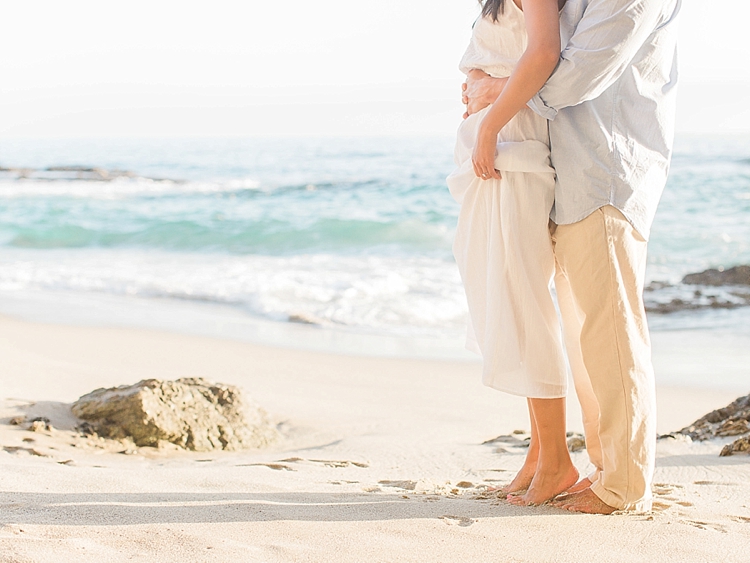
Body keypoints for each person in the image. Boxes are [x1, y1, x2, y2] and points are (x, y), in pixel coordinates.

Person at [462, 0, 681, 513]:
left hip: (605, 170)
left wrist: (500, 95)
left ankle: (625, 488)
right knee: (586, 337)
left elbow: (584, 70)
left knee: (612, 332)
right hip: (568, 169)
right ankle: (605, 467)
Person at [447, 0, 579, 506]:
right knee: (506, 296)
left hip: (514, 151)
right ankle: (539, 454)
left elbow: (545, 53)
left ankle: (558, 462)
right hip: (503, 149)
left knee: (525, 304)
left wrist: (488, 124)